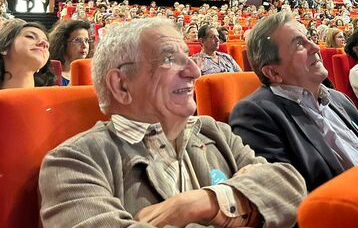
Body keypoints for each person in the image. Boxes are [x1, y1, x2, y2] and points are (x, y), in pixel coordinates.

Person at [38, 18, 305, 228]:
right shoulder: (73, 162)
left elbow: (290, 187)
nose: (194, 72)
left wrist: (202, 203)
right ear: (121, 84)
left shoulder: (214, 131)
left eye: (187, 58)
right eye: (169, 59)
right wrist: (244, 208)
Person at [230, 12, 358, 192]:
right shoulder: (255, 115)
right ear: (273, 73)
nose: (315, 48)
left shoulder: (339, 99)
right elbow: (284, 197)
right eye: (299, 45)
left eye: (308, 38)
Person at [0, 19, 53, 89]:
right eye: (30, 37)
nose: (44, 44)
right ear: (4, 48)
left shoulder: (55, 98)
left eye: (47, 44)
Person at [48, 19, 91, 86]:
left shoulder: (91, 73)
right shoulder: (51, 75)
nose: (84, 45)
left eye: (86, 40)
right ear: (63, 43)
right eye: (77, 40)